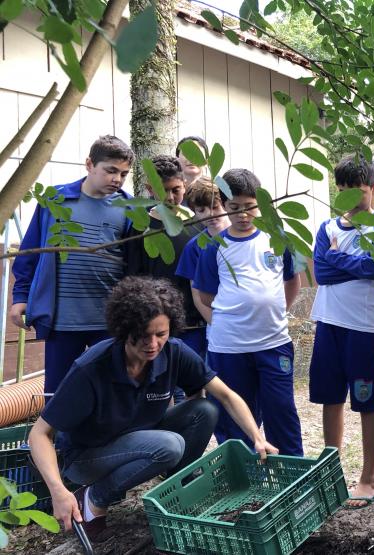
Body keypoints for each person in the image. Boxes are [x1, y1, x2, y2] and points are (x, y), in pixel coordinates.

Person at [28, 276, 277, 542]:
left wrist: (257, 438)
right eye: (143, 336)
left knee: (204, 411)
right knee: (169, 445)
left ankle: (174, 491)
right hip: (87, 457)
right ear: (125, 330)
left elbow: (226, 396)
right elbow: (39, 434)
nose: (153, 344)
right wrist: (57, 491)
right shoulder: (92, 368)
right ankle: (94, 497)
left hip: (139, 437)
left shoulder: (173, 352)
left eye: (161, 334)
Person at [10, 135, 134, 394]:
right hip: (62, 320)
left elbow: (135, 265)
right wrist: (20, 296)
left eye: (123, 174)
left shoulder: (129, 208)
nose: (117, 179)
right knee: (57, 393)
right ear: (89, 164)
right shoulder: (55, 200)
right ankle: (51, 437)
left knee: (110, 392)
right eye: (110, 170)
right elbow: (31, 251)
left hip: (108, 321)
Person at [192, 169, 303, 456]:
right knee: (234, 416)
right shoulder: (213, 246)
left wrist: (274, 310)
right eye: (234, 208)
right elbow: (206, 294)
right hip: (229, 347)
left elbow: (292, 281)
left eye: (250, 207)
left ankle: (294, 475)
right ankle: (244, 479)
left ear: (261, 203)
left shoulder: (276, 238)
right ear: (224, 206)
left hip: (273, 343)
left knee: (281, 409)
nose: (242, 214)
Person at [310, 154, 374, 508]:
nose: (349, 197)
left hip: (362, 328)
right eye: (343, 190)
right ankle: (331, 473)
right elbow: (322, 274)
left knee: (366, 401)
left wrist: (336, 259)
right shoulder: (327, 228)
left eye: (357, 190)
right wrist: (347, 264)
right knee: (330, 399)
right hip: (328, 324)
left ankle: (369, 478)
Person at [124, 155, 206, 358]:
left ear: (184, 185)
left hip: (193, 324)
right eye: (162, 190)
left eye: (175, 190)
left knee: (192, 381)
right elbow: (133, 277)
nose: (169, 197)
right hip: (154, 326)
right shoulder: (140, 227)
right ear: (150, 189)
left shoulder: (199, 225)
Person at [174, 176, 232, 353]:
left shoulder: (247, 237)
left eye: (215, 207)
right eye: (201, 210)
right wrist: (217, 324)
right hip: (219, 326)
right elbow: (198, 296)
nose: (210, 214)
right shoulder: (194, 247)